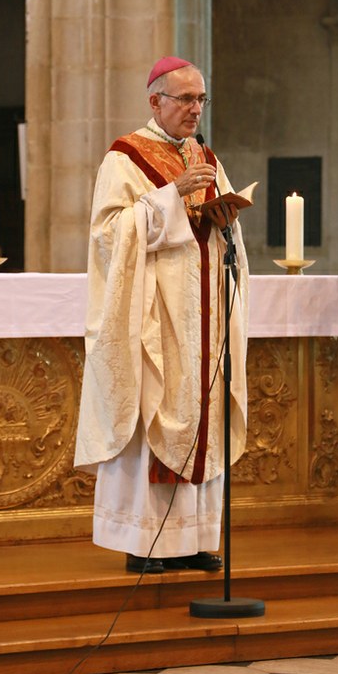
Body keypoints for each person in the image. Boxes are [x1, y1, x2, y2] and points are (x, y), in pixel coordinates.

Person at [74, 57, 249, 574]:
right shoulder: (124, 158)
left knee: (200, 415)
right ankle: (144, 541)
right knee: (154, 407)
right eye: (186, 99)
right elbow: (109, 235)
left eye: (201, 100)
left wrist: (224, 217)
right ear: (156, 101)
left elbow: (217, 234)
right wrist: (173, 197)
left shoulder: (205, 157)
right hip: (154, 315)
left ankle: (194, 539)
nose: (196, 109)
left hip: (202, 312)